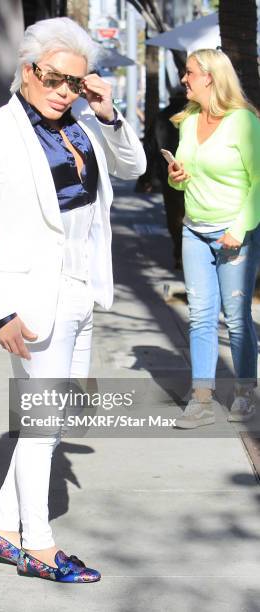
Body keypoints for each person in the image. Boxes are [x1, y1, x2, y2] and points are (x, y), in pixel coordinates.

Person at [0, 17, 146, 582]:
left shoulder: (86, 119)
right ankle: (36, 545)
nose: (64, 91)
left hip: (82, 293)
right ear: (29, 71)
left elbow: (132, 168)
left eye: (76, 82)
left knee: (53, 420)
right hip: (32, 302)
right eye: (55, 79)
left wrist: (107, 110)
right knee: (41, 427)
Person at [168, 48, 260, 428]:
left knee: (237, 318)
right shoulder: (188, 120)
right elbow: (183, 173)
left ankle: (245, 393)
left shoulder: (243, 122)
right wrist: (177, 176)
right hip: (194, 229)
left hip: (233, 233)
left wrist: (239, 230)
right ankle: (202, 399)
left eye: (189, 73)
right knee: (200, 317)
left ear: (209, 76)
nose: (184, 79)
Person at [138, 88, 187, 269]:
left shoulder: (161, 117)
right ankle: (187, 253)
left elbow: (150, 149)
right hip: (194, 174)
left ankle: (179, 253)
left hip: (169, 174)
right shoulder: (195, 117)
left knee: (174, 216)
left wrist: (146, 178)